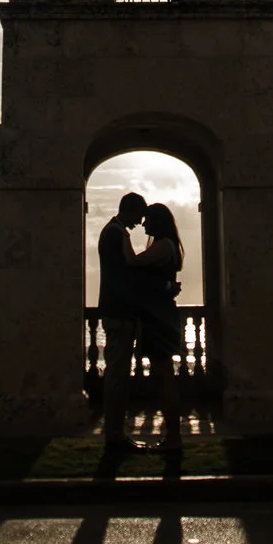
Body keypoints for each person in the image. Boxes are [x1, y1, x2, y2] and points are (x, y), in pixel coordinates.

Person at [96, 191, 152, 450]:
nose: (140, 222)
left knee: (117, 374)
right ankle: (115, 435)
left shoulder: (111, 231)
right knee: (117, 376)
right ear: (130, 210)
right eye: (139, 215)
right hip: (119, 312)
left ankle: (115, 432)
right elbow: (130, 263)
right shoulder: (118, 233)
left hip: (114, 310)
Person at [132, 203, 187, 451]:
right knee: (163, 375)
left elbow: (132, 263)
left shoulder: (163, 246)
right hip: (160, 314)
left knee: (165, 376)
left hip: (159, 317)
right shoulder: (166, 246)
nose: (143, 224)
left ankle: (174, 437)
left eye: (147, 219)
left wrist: (121, 240)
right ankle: (172, 436)